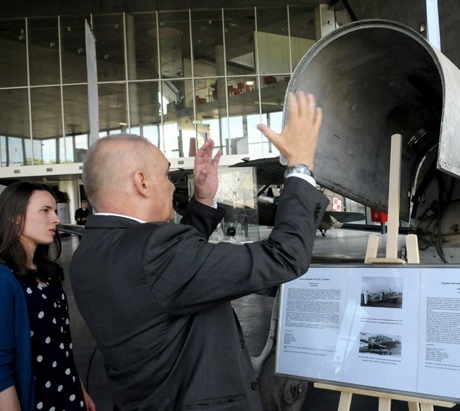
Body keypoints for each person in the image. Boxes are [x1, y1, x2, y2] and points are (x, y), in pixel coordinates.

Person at [70, 91, 328, 410]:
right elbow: (284, 257)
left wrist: (203, 200)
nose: (170, 185)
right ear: (142, 182)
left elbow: (166, 280)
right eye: (165, 175)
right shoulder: (153, 254)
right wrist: (300, 168)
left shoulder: (90, 254)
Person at [0, 181, 95, 411]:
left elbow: (61, 344)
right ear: (14, 216)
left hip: (67, 393)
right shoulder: (4, 280)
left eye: (54, 210)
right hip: (38, 399)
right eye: (45, 211)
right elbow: (2, 367)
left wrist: (79, 390)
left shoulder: (47, 275)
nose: (56, 219)